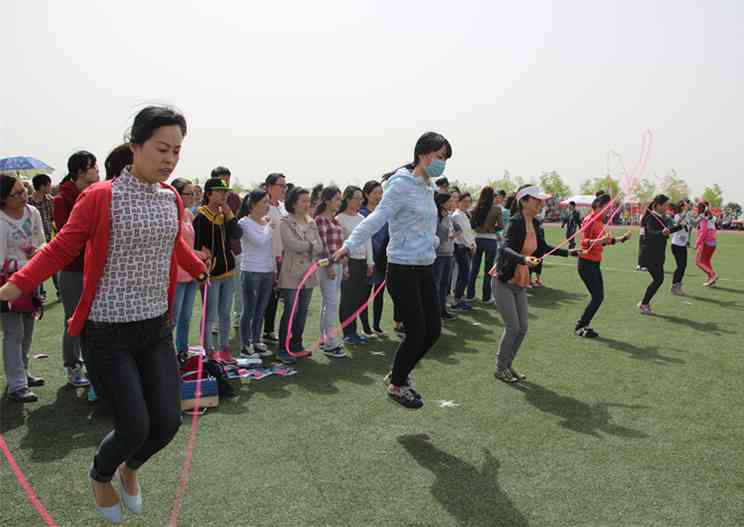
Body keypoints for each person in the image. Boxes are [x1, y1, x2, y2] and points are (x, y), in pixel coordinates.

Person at [0, 106, 207, 523]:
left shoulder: (170, 199)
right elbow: (60, 248)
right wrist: (14, 285)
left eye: (177, 151)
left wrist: (198, 264)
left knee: (166, 423)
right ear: (136, 146)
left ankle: (130, 469)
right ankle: (101, 474)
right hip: (108, 332)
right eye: (161, 148)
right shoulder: (101, 196)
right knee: (134, 424)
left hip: (155, 329)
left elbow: (171, 244)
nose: (169, 158)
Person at [334, 131, 452, 410]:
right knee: (417, 331)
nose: (442, 163)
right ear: (423, 154)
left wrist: (432, 242)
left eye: (445, 158)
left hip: (425, 266)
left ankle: (398, 374)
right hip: (402, 268)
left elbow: (426, 225)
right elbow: (376, 219)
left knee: (433, 330)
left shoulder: (428, 187)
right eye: (439, 157)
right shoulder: (401, 185)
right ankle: (398, 384)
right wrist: (349, 246)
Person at [492, 184, 578, 383]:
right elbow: (504, 248)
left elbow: (542, 248)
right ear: (524, 201)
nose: (541, 203)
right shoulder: (516, 222)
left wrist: (569, 253)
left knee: (522, 328)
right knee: (513, 327)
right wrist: (523, 259)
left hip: (521, 280)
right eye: (537, 200)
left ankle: (507, 365)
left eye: (542, 200)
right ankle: (500, 368)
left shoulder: (536, 223)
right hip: (504, 279)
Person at [55, 150, 100, 388]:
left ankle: (88, 363)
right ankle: (71, 365)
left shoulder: (96, 194)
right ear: (81, 171)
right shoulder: (63, 199)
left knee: (92, 321)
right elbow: (69, 237)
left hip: (92, 268)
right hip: (73, 270)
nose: (97, 171)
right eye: (94, 166)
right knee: (73, 320)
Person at [0, 174, 46, 403]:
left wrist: (38, 252)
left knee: (28, 329)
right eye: (16, 193)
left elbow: (42, 240)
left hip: (32, 279)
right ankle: (16, 384)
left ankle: (23, 372)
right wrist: (28, 263)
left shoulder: (32, 212)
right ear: (3, 199)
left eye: (23, 189)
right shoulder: (0, 221)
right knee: (13, 333)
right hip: (8, 283)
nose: (23, 196)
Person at [193, 177, 242, 358]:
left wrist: (229, 213)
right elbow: (196, 248)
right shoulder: (201, 217)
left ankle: (224, 348)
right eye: (219, 191)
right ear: (209, 193)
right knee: (210, 314)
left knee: (225, 314)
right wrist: (201, 271)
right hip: (210, 275)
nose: (224, 195)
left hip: (228, 271)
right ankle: (208, 350)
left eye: (225, 192)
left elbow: (237, 234)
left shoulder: (224, 215)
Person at [574, 193, 631, 337]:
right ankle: (581, 325)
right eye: (607, 207)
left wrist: (622, 239)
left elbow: (606, 240)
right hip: (586, 264)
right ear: (599, 206)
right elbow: (584, 242)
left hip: (594, 264)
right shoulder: (590, 220)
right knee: (598, 297)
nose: (609, 211)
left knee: (598, 297)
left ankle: (583, 324)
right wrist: (599, 241)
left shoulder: (599, 221)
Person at [277, 187, 323, 364]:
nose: (307, 204)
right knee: (290, 311)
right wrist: (310, 245)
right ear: (293, 203)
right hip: (291, 274)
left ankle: (296, 345)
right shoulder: (285, 222)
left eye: (308, 200)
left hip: (309, 274)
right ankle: (282, 348)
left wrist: (309, 245)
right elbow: (292, 244)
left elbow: (320, 246)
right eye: (303, 200)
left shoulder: (311, 222)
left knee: (302, 311)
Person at [170, 178, 209, 355]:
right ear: (177, 194)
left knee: (185, 318)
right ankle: (162, 354)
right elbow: (177, 248)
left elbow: (190, 245)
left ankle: (182, 351)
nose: (193, 197)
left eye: (194, 193)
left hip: (190, 275)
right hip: (176, 276)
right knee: (172, 319)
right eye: (189, 193)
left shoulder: (188, 214)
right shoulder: (171, 215)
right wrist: (200, 256)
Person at [237, 190, 276, 364]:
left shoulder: (265, 222)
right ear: (252, 204)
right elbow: (259, 241)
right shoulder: (244, 222)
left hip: (267, 270)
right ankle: (246, 346)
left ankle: (257, 341)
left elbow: (269, 246)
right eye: (263, 203)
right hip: (251, 270)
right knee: (249, 310)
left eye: (268, 202)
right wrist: (269, 226)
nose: (267, 206)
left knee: (261, 310)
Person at [336, 185, 375, 344]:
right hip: (348, 262)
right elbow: (340, 244)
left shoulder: (361, 218)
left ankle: (354, 331)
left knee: (358, 298)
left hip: (361, 262)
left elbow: (368, 240)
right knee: (348, 298)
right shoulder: (340, 219)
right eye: (356, 198)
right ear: (347, 199)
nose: (360, 202)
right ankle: (348, 332)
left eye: (361, 199)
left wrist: (370, 262)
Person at [314, 186, 347, 358]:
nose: (339, 203)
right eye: (336, 199)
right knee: (332, 304)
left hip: (338, 265)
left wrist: (343, 266)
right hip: (328, 266)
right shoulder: (320, 220)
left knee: (329, 304)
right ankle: (330, 343)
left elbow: (340, 245)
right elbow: (322, 246)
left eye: (340, 200)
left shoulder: (335, 220)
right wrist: (329, 267)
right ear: (327, 200)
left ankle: (325, 339)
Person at [638, 194, 684, 315]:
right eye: (665, 205)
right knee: (658, 280)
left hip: (658, 254)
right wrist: (661, 233)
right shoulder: (651, 218)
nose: (666, 207)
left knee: (658, 280)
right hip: (650, 254)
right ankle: (644, 304)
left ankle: (644, 303)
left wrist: (680, 226)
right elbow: (650, 233)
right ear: (657, 205)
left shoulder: (660, 217)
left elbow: (666, 231)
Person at [211, 166, 243, 329]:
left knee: (237, 286)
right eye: (223, 181)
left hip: (234, 249)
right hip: (216, 252)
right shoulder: (207, 201)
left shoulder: (235, 198)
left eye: (228, 180)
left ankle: (238, 316)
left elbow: (236, 225)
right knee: (217, 289)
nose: (226, 185)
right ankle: (215, 322)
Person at [359, 180, 389, 335]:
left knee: (379, 294)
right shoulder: (361, 214)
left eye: (380, 193)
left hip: (383, 260)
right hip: (367, 260)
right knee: (364, 295)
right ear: (366, 194)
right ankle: (365, 327)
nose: (379, 196)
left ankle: (377, 325)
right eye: (375, 192)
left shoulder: (384, 212)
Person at [262, 173, 287, 343]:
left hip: (284, 257)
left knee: (276, 296)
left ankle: (269, 330)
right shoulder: (263, 207)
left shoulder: (283, 207)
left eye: (285, 185)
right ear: (269, 187)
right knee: (265, 296)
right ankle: (259, 332)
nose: (283, 189)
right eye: (280, 185)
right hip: (267, 257)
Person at [467, 186, 503, 304]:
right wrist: (492, 229)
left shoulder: (475, 208)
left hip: (477, 239)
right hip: (491, 240)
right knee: (489, 270)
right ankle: (486, 297)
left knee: (474, 269)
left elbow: (471, 225)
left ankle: (470, 295)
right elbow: (501, 226)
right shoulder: (496, 209)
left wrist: (481, 228)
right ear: (492, 196)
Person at [28, 173, 57, 299]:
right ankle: (39, 294)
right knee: (36, 267)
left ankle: (59, 291)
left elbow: (53, 218)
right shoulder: (28, 202)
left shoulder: (51, 200)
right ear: (41, 186)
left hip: (48, 238)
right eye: (49, 184)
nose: (50, 187)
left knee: (54, 266)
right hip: (32, 241)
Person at [432, 191, 456, 319]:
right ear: (442, 203)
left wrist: (452, 234)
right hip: (438, 255)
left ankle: (442, 310)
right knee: (436, 284)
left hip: (449, 254)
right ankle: (434, 312)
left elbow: (458, 230)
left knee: (444, 284)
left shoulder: (449, 216)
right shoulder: (435, 216)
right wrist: (448, 234)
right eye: (449, 201)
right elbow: (438, 235)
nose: (452, 203)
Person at [451, 191, 476, 310]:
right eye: (464, 201)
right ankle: (457, 300)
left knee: (465, 274)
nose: (467, 204)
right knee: (464, 275)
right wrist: (470, 245)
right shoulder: (456, 215)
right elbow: (460, 235)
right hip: (461, 247)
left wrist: (473, 244)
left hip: (467, 247)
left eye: (469, 201)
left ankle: (459, 299)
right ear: (459, 202)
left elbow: (469, 232)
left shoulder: (465, 214)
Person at [670, 200, 694, 295]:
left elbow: (691, 227)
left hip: (683, 245)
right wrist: (685, 212)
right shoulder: (677, 215)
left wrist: (688, 240)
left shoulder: (687, 215)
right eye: (685, 205)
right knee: (680, 266)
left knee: (683, 266)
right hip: (676, 245)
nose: (687, 206)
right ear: (682, 207)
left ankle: (677, 285)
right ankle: (674, 286)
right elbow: (678, 223)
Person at [695, 202, 718, 287]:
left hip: (706, 242)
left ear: (699, 209)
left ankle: (713, 275)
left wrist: (697, 242)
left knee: (698, 261)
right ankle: (711, 280)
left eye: (697, 208)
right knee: (706, 261)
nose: (696, 209)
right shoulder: (711, 217)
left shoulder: (703, 218)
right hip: (713, 242)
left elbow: (703, 232)